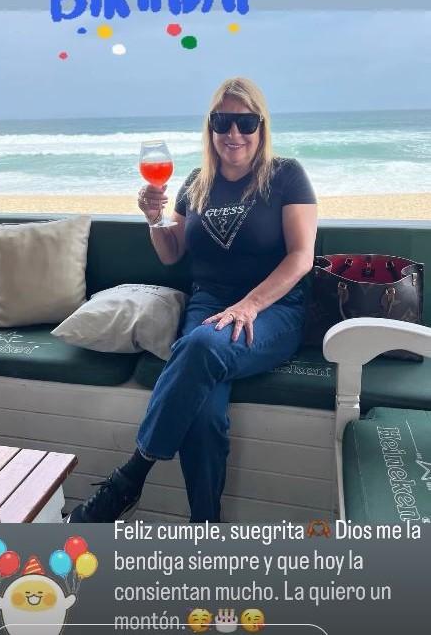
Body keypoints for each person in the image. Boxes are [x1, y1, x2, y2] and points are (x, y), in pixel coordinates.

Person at [66, 77, 317, 523]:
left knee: (200, 344)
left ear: (261, 127)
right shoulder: (196, 183)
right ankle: (206, 529)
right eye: (223, 121)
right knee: (202, 414)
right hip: (209, 304)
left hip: (273, 309)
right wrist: (153, 218)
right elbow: (171, 253)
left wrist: (249, 305)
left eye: (246, 122)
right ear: (210, 126)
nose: (234, 133)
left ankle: (129, 478)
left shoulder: (286, 176)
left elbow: (301, 257)